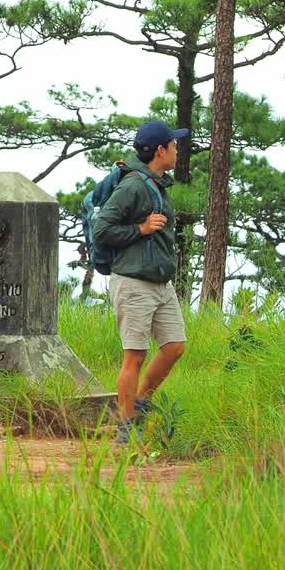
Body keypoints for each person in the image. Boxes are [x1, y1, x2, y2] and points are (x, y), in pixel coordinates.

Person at [93, 120, 189, 444]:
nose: (177, 150)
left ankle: (140, 402)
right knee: (134, 356)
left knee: (175, 346)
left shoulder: (157, 184)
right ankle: (125, 428)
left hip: (160, 283)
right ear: (161, 151)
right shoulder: (133, 186)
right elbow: (102, 229)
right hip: (133, 282)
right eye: (173, 145)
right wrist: (141, 229)